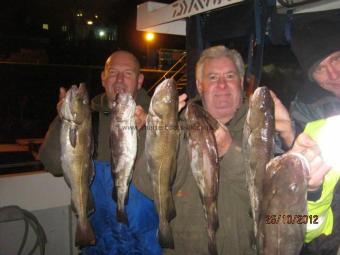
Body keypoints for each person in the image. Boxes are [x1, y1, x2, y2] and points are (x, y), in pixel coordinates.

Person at [134, 45, 323, 254]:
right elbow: (147, 187)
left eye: (230, 76)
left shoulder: (266, 128)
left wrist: (231, 151)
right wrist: (163, 137)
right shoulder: (176, 125)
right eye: (213, 77)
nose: (222, 85)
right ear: (199, 85)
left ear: (241, 83)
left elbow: (283, 212)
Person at [39, 50, 162, 255]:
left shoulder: (158, 117)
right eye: (113, 72)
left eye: (128, 73)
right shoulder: (88, 118)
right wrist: (64, 119)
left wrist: (149, 129)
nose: (120, 80)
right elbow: (51, 163)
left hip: (147, 243)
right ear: (103, 78)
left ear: (139, 80)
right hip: (99, 241)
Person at [289, 16, 340, 255]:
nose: (333, 74)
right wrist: (311, 190)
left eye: (337, 58)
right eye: (319, 68)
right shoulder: (309, 124)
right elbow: (297, 228)